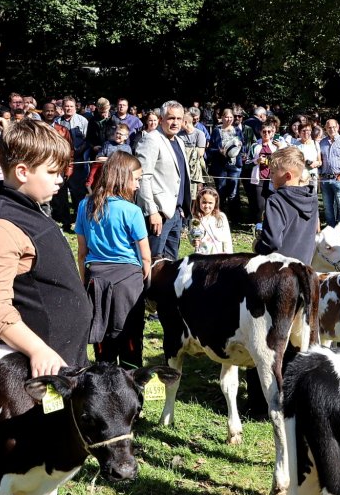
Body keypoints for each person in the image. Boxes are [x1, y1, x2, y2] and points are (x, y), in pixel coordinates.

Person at [0, 119, 93, 495]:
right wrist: (39, 348)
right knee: (23, 460)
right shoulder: (0, 225)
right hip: (28, 369)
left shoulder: (31, 209)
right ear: (21, 170)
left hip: (57, 361)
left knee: (53, 454)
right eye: (53, 171)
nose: (62, 179)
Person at [75, 152, 151, 369]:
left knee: (102, 336)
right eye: (136, 179)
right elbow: (145, 256)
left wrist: (84, 281)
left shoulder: (84, 206)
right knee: (130, 337)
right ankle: (133, 391)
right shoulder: (133, 211)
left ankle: (103, 387)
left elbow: (81, 252)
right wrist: (144, 284)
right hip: (128, 282)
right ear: (122, 177)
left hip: (95, 279)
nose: (137, 186)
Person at [136, 101, 194, 260]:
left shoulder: (180, 141)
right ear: (161, 119)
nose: (175, 122)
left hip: (176, 213)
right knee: (152, 262)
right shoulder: (151, 140)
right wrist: (152, 211)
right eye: (171, 118)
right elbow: (143, 177)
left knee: (170, 265)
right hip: (158, 214)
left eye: (179, 118)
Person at [253, 147, 318, 263]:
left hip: (278, 272)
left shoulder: (276, 200)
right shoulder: (312, 198)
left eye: (272, 172)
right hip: (303, 269)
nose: (270, 176)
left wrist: (258, 246)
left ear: (287, 176)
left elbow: (272, 242)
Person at [242, 120, 287, 224]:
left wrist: (280, 149)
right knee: (260, 206)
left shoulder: (277, 146)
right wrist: (256, 161)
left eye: (269, 132)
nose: (266, 134)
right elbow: (247, 163)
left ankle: (272, 226)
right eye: (264, 131)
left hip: (273, 180)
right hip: (259, 179)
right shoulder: (255, 146)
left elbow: (284, 162)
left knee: (273, 205)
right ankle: (259, 227)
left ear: (272, 133)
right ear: (260, 132)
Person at [189, 186, 232, 255]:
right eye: (204, 202)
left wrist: (228, 256)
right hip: (202, 256)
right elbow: (192, 235)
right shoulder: (195, 219)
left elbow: (227, 239)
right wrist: (194, 241)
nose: (206, 205)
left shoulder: (221, 217)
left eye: (210, 203)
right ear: (199, 201)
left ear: (215, 203)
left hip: (218, 256)